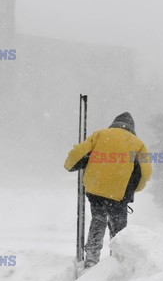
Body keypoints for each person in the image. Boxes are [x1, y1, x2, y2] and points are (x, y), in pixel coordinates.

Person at [64, 112, 152, 268]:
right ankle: (117, 261)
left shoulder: (99, 135)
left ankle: (91, 257)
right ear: (132, 128)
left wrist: (72, 165)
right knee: (119, 229)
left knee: (98, 220)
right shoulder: (138, 144)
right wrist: (132, 190)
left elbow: (76, 155)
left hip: (95, 189)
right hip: (119, 194)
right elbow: (145, 173)